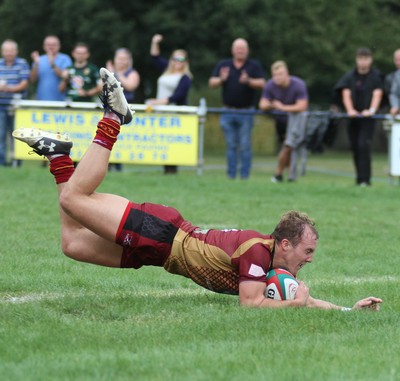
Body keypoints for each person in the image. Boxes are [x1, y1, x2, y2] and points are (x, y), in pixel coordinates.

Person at [12, 68, 382, 311]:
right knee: (74, 199)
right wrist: (293, 306)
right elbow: (253, 305)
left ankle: (60, 157)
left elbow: (303, 298)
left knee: (72, 244)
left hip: (160, 252)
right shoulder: (257, 252)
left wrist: (350, 310)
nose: (311, 258)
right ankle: (113, 117)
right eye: (308, 250)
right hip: (160, 233)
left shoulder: (272, 265)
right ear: (285, 244)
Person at [209, 38, 265, 179]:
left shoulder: (253, 66)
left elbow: (263, 83)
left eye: (243, 48)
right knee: (231, 145)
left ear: (247, 50)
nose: (240, 51)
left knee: (245, 145)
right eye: (238, 48)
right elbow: (212, 83)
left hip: (246, 111)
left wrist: (249, 81)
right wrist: (222, 79)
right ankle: (231, 175)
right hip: (227, 111)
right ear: (233, 50)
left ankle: (244, 176)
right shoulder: (224, 65)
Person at [334, 47, 383, 186]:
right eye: (360, 59)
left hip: (368, 119)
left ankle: (366, 180)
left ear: (370, 60)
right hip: (353, 118)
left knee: (364, 146)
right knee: (355, 147)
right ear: (357, 60)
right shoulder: (350, 76)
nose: (363, 62)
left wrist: (371, 110)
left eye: (366, 59)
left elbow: (377, 94)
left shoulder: (375, 77)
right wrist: (350, 110)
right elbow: (346, 94)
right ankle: (359, 179)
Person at [147, 33, 193, 174]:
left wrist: (158, 101)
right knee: (161, 139)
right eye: (175, 58)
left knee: (171, 140)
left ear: (185, 62)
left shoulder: (185, 77)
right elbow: (155, 57)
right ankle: (165, 167)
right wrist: (155, 42)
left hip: (173, 111)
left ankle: (172, 169)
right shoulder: (166, 71)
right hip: (161, 111)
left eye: (181, 59)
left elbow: (178, 95)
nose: (178, 61)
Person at [259, 61, 309, 182]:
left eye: (280, 74)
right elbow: (262, 105)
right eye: (275, 75)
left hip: (297, 121)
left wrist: (282, 107)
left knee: (288, 147)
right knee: (287, 149)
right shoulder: (270, 85)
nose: (278, 78)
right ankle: (290, 176)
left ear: (287, 73)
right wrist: (272, 105)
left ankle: (278, 174)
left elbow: (302, 106)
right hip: (281, 122)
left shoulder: (298, 84)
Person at [106, 47, 140, 171]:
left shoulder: (132, 73)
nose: (121, 61)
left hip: (124, 111)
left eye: (124, 59)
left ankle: (119, 165)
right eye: (119, 58)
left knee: (120, 138)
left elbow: (131, 86)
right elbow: (100, 87)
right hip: (110, 108)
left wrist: (115, 74)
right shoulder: (109, 72)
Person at [0, 39, 30, 167]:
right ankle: (2, 161)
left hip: (17, 107)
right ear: (2, 52)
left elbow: (24, 84)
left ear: (16, 51)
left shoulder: (22, 64)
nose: (9, 53)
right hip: (1, 105)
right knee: (0, 135)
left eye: (11, 50)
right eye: (6, 51)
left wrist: (7, 88)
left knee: (17, 135)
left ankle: (16, 161)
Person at [30, 35, 72, 101]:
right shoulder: (39, 59)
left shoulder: (65, 59)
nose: (51, 47)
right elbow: (32, 80)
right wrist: (36, 65)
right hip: (41, 100)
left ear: (59, 46)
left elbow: (65, 77)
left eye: (54, 45)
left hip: (60, 100)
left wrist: (52, 64)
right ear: (44, 46)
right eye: (48, 45)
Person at [386, 49, 400, 117]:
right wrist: (395, 106)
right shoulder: (396, 76)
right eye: (397, 60)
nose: (398, 62)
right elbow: (394, 93)